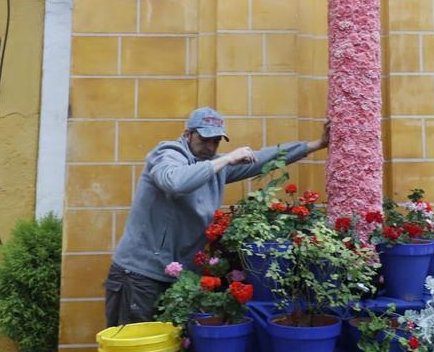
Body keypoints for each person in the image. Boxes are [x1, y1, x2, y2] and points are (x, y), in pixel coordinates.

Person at [105, 107, 329, 328]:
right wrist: (227, 159)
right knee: (134, 351)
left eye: (216, 141)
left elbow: (262, 158)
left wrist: (314, 145)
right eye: (204, 139)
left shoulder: (214, 166)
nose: (210, 147)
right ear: (187, 134)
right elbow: (174, 182)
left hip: (176, 278)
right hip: (139, 275)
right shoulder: (167, 154)